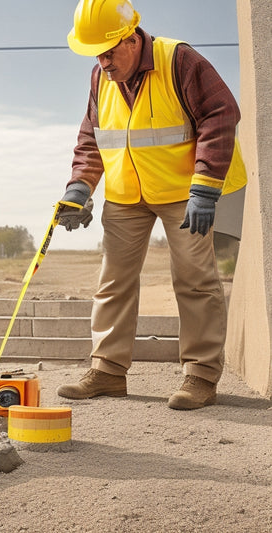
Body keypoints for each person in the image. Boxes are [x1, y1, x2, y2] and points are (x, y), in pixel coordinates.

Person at [56, 0, 247, 410]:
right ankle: (107, 370)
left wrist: (206, 188)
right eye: (96, 54)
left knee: (195, 280)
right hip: (127, 196)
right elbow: (92, 138)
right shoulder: (101, 77)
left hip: (185, 192)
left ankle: (200, 375)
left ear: (131, 39)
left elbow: (220, 114)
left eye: (109, 51)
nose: (103, 62)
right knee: (113, 282)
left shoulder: (179, 60)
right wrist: (78, 189)